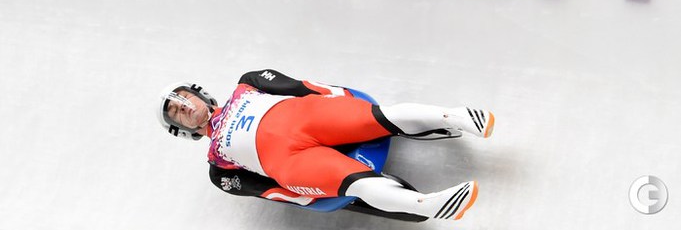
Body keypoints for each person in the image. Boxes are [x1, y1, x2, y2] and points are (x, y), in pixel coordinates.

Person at [157, 69, 494, 221]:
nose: (184, 107)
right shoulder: (218, 169)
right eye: (176, 112)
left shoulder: (248, 83)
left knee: (382, 116)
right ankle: (426, 204)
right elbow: (269, 191)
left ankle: (457, 117)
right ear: (182, 129)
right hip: (290, 161)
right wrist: (311, 198)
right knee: (357, 183)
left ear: (198, 93)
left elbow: (301, 88)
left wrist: (342, 97)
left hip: (308, 117)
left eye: (183, 99)